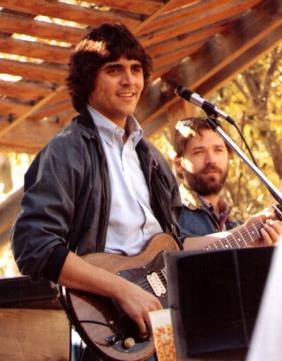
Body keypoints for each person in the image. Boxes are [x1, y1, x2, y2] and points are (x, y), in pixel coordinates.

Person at [10, 23, 282, 361]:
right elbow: (32, 244)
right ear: (88, 81)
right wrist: (121, 289)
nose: (130, 81)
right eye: (114, 70)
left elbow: (176, 245)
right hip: (103, 327)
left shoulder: (151, 158)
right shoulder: (66, 150)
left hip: (161, 322)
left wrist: (243, 236)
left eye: (136, 69)